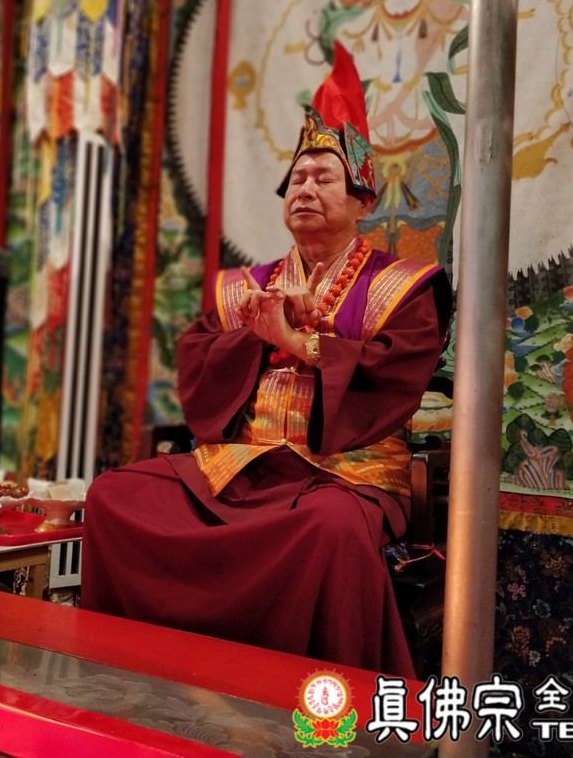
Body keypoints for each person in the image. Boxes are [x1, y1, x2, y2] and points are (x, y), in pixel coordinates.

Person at [81, 44, 452, 676]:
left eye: (324, 179)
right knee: (114, 495)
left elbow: (399, 372)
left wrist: (302, 343)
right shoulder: (247, 286)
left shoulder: (402, 286)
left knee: (332, 530)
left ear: (364, 202)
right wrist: (259, 334)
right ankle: (145, 673)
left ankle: (309, 701)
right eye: (297, 180)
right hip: (243, 466)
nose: (305, 189)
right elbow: (197, 364)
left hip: (344, 475)